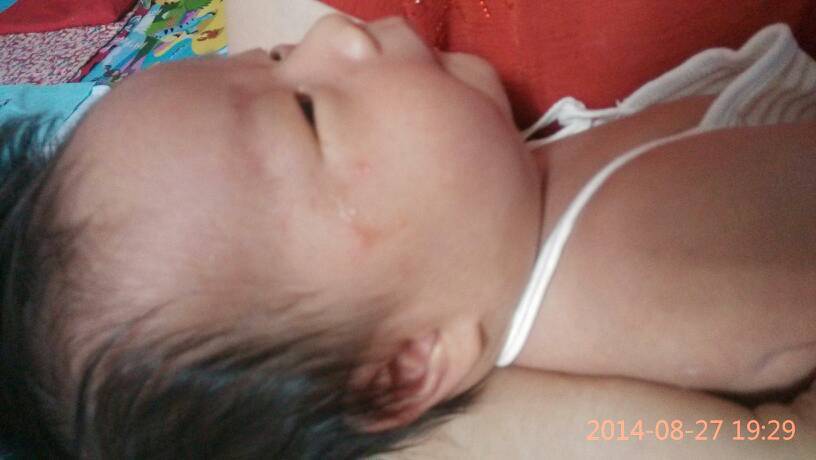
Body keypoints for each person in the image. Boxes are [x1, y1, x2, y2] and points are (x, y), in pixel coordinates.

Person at [0, 6, 813, 460]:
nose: (334, 36)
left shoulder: (484, 222)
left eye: (274, 54)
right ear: (411, 364)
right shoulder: (636, 256)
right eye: (307, 111)